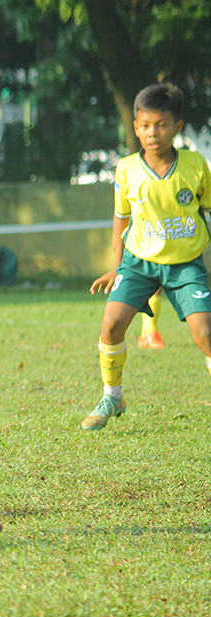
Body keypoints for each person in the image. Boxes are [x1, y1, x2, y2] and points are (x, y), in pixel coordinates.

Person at [81, 82, 211, 430]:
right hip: (138, 263)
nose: (153, 133)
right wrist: (116, 266)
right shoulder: (126, 169)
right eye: (145, 125)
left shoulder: (196, 166)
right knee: (111, 326)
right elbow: (121, 219)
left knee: (206, 333)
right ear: (135, 127)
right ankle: (112, 396)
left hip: (185, 264)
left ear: (177, 128)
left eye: (162, 124)